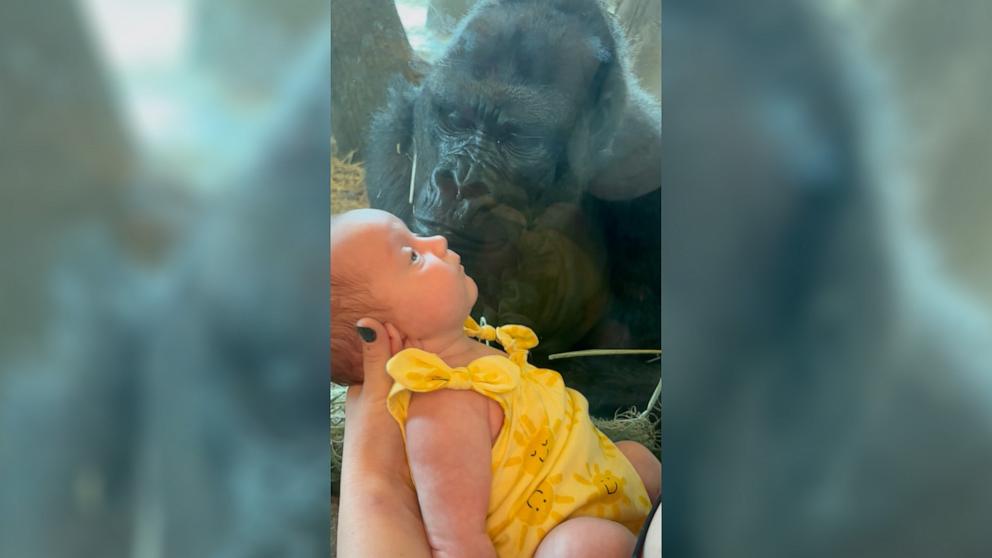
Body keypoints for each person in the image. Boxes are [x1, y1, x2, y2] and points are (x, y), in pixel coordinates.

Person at [331, 208, 661, 558]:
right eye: (412, 256)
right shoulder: (441, 407)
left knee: (638, 459)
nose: (438, 241)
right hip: (554, 533)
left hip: (597, 483)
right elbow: (458, 543)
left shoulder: (472, 351)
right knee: (585, 546)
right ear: (384, 331)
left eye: (416, 234)